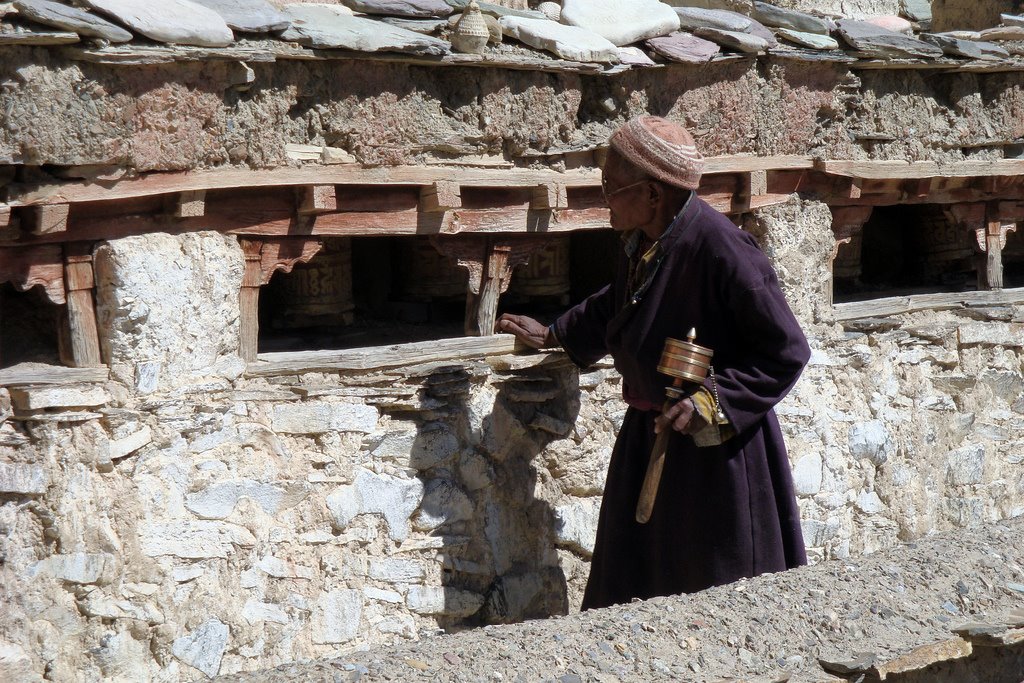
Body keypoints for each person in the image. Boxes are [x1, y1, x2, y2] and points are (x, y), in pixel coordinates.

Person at [496, 116, 810, 610]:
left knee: (716, 598)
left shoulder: (724, 251)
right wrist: (556, 332)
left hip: (715, 458)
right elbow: (619, 304)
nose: (604, 197)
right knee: (638, 590)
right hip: (648, 438)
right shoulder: (643, 239)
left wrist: (713, 398)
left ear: (653, 194)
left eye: (611, 186)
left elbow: (786, 350)